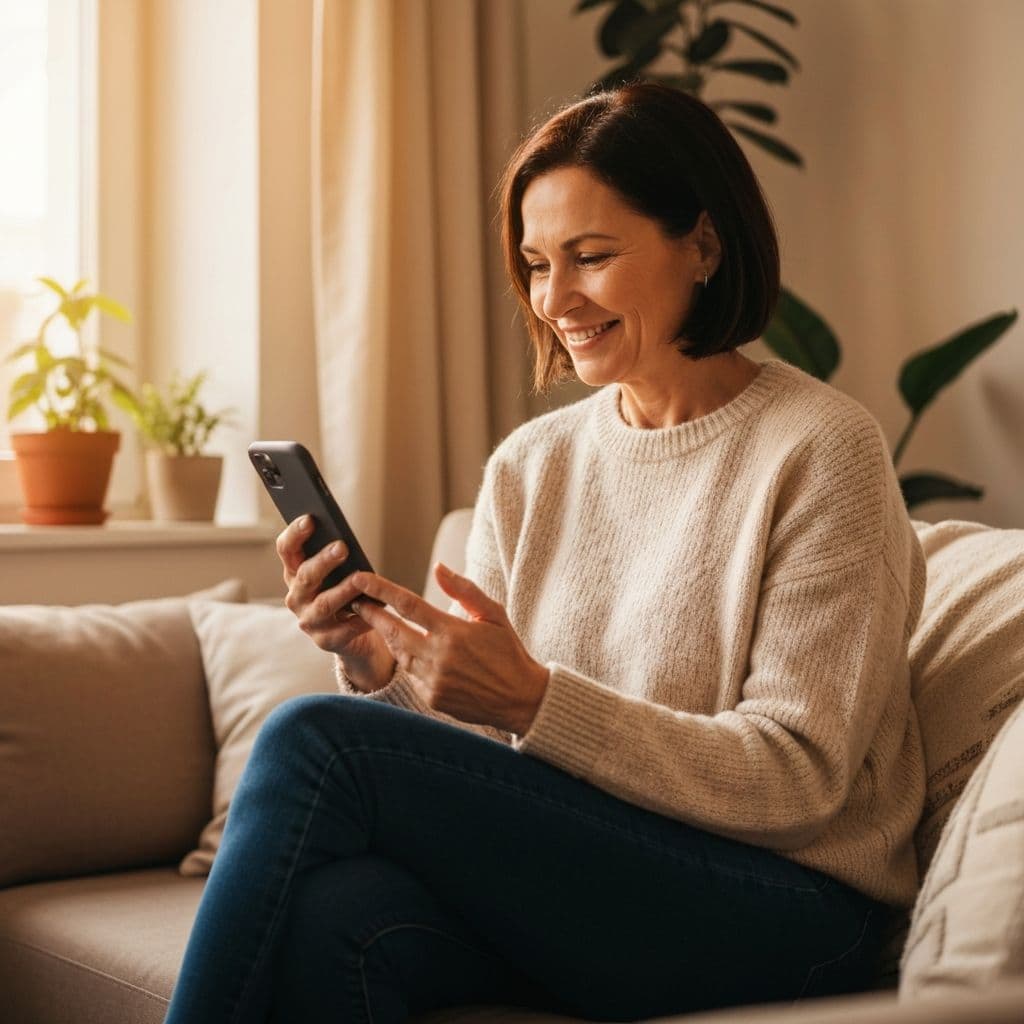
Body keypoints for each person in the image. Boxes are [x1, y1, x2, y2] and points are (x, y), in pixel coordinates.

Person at [164, 82, 926, 1024]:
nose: (554, 299)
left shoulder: (821, 449)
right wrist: (377, 669)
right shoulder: (533, 463)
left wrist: (535, 697)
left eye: (591, 258)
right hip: (603, 873)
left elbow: (799, 779)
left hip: (793, 908)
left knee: (309, 740)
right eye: (534, 264)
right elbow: (485, 757)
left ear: (704, 244)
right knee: (334, 917)